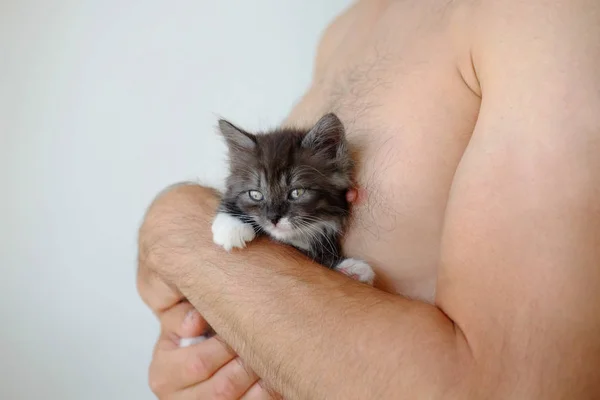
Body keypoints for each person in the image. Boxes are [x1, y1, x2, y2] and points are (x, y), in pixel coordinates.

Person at [137, 0, 600, 398]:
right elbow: (269, 295)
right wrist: (199, 363)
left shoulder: (543, 17)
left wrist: (175, 227)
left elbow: (511, 390)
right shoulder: (343, 30)